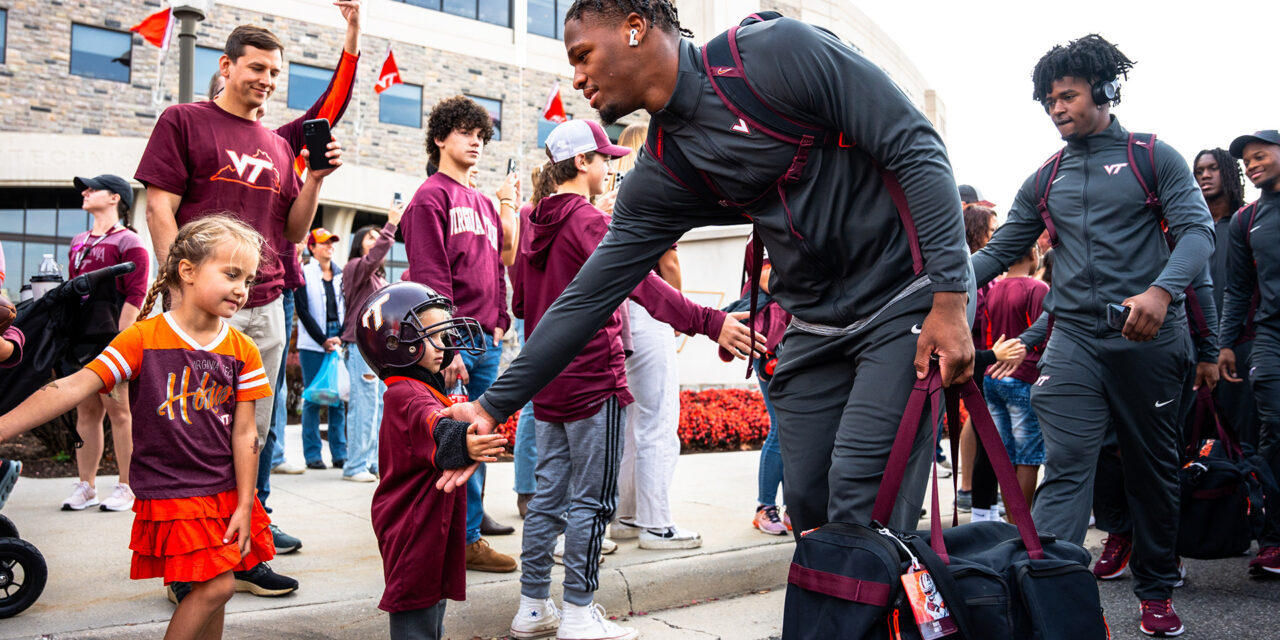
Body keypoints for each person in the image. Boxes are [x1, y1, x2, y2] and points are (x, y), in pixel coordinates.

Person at [443, 3, 974, 555]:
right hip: (815, 325)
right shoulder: (663, 172)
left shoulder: (773, 54)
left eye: (583, 55)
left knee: (866, 513)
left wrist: (950, 298)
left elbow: (916, 144)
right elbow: (587, 297)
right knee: (813, 515)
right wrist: (488, 408)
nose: (577, 79)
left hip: (904, 301)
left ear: (634, 27)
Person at [970, 35, 1213, 636]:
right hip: (1074, 338)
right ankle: (1050, 593)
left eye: (1068, 95)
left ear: (1105, 91)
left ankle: (1155, 589)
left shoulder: (1152, 156)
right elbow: (1001, 249)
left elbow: (1197, 234)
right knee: (1069, 458)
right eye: (1048, 100)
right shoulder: (1045, 177)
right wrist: (940, 290)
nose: (1056, 108)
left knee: (1150, 467)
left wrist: (1162, 293)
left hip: (1149, 338)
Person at [507, 118, 755, 640]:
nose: (611, 167)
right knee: (593, 501)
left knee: (549, 495)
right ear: (581, 163)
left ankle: (533, 607)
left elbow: (521, 304)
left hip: (549, 377)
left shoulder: (532, 221)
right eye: (605, 159)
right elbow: (642, 283)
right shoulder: (590, 223)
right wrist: (710, 321)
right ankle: (578, 611)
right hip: (594, 374)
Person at [0, 216, 282, 639]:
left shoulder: (243, 349)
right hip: (174, 492)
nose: (243, 289)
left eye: (248, 278)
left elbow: (246, 435)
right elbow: (73, 385)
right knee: (219, 585)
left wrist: (245, 502)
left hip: (223, 493)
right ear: (186, 271)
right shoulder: (143, 338)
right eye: (231, 274)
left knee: (213, 593)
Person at [136, 24, 341, 599]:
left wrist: (316, 179)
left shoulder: (279, 146)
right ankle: (186, 564)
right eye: (257, 68)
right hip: (199, 309)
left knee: (256, 433)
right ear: (226, 67)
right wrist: (180, 290)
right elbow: (159, 206)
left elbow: (294, 230)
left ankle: (247, 551)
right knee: (192, 431)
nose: (267, 81)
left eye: (275, 73)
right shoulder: (184, 120)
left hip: (267, 303)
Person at [401, 95, 518, 571]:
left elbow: (499, 264)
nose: (475, 141)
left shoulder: (484, 202)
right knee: (460, 434)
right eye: (466, 132)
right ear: (440, 138)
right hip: (456, 343)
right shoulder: (431, 196)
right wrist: (445, 345)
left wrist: (502, 320)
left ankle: (472, 520)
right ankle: (463, 539)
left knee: (482, 432)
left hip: (488, 337)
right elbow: (431, 278)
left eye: (481, 135)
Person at [355, 281, 507, 640]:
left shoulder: (423, 387)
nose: (446, 346)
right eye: (433, 336)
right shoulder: (405, 394)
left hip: (429, 523)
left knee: (433, 603)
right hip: (413, 526)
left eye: (444, 334)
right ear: (395, 342)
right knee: (416, 612)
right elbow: (433, 424)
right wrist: (462, 441)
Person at [594, 122, 699, 549]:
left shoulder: (606, 197)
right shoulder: (653, 187)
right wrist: (680, 307)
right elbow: (668, 260)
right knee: (658, 419)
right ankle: (657, 522)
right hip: (650, 306)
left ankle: (627, 515)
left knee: (632, 422)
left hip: (617, 311)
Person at [60, 174, 150, 513]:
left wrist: (119, 342)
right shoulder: (79, 241)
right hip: (81, 338)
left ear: (116, 198)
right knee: (87, 411)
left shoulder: (129, 241)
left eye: (93, 188)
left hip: (111, 339)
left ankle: (126, 486)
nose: (85, 193)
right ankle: (87, 485)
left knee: (119, 412)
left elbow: (136, 293)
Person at [1219, 129, 1280, 576]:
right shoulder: (1247, 219)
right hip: (1269, 337)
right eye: (1247, 161)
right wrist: (1223, 343)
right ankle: (1274, 538)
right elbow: (1238, 289)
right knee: (1273, 430)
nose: (1251, 164)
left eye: (1260, 156)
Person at [1195, 148, 1259, 450]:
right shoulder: (1189, 230)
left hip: (1242, 348)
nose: (1205, 175)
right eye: (1199, 171)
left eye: (1212, 168)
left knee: (1245, 438)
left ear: (1230, 173)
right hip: (1195, 351)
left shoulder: (1249, 222)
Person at [980, 245, 1048, 511]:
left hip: (993, 376)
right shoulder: (1037, 289)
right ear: (1033, 253)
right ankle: (1022, 527)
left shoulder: (994, 289)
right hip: (1023, 376)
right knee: (1028, 457)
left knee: (1006, 456)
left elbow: (988, 334)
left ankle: (1013, 526)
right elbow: (1043, 335)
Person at [341, 202, 405, 483]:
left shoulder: (377, 279)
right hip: (359, 347)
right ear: (358, 244)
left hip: (376, 351)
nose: (378, 241)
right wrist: (391, 225)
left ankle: (368, 463)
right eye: (371, 237)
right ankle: (354, 465)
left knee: (378, 407)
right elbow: (372, 258)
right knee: (364, 406)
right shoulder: (356, 268)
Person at [295, 228, 346, 470]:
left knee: (337, 400)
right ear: (312, 248)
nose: (329, 247)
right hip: (313, 344)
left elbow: (349, 307)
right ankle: (313, 454)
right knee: (313, 399)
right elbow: (303, 311)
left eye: (331, 243)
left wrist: (339, 337)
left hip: (338, 341)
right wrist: (323, 340)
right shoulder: (304, 273)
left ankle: (339, 454)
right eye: (324, 243)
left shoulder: (341, 275)